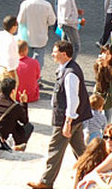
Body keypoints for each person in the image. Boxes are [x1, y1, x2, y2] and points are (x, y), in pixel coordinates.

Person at [28, 41, 93, 189]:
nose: (52, 54)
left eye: (55, 51)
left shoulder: (70, 74)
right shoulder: (68, 69)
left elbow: (73, 99)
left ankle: (46, 181)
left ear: (64, 54)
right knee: (80, 150)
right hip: (73, 118)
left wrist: (68, 122)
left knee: (55, 149)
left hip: (66, 119)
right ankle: (92, 172)